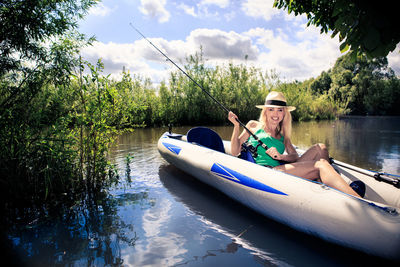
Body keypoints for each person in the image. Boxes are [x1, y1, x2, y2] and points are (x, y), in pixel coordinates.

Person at [228, 91, 362, 197]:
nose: (276, 114)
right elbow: (234, 151)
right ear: (265, 111)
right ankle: (358, 200)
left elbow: (294, 156)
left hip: (282, 168)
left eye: (280, 110)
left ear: (284, 114)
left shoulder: (283, 135)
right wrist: (235, 127)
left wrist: (281, 156)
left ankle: (324, 186)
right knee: (321, 166)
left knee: (320, 147)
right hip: (267, 172)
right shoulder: (253, 125)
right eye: (271, 109)